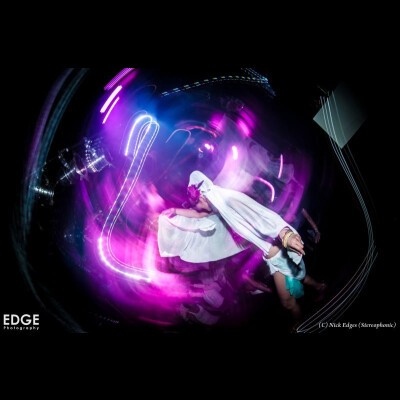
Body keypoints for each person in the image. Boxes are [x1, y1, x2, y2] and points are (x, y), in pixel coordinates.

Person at [159, 170, 325, 327]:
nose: (199, 208)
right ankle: (319, 287)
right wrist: (174, 211)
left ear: (202, 196)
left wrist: (284, 233)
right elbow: (199, 214)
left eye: (198, 203)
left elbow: (260, 214)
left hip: (278, 252)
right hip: (271, 255)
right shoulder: (217, 203)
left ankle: (302, 326)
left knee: (288, 301)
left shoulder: (228, 199)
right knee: (298, 276)